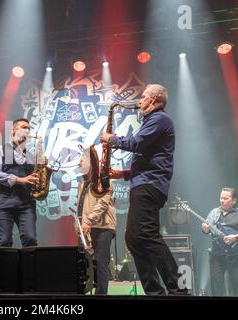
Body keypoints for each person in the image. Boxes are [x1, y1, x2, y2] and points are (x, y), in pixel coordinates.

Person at [100, 84, 188, 295]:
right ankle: (155, 291)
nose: (140, 100)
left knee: (146, 235)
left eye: (144, 96)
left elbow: (137, 143)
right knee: (133, 238)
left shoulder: (160, 119)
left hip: (150, 185)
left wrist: (110, 139)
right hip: (144, 182)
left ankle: (179, 290)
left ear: (155, 100)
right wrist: (123, 174)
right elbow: (149, 158)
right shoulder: (152, 121)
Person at [76, 149, 130, 295]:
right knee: (84, 262)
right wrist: (79, 225)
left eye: (82, 159)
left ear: (90, 162)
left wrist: (87, 221)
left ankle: (101, 294)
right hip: (87, 227)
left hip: (103, 227)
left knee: (101, 261)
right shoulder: (82, 183)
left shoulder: (103, 180)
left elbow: (102, 204)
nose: (78, 162)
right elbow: (80, 206)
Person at [0, 118, 41, 247]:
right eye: (23, 127)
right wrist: (19, 179)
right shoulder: (0, 149)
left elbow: (35, 180)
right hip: (3, 200)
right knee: (5, 241)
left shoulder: (30, 156)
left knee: (31, 240)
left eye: (28, 128)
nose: (27, 131)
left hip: (26, 203)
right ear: (13, 130)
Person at [202, 187, 238, 296]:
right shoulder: (213, 213)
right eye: (221, 198)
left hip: (236, 256)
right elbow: (206, 230)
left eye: (226, 198)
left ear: (234, 200)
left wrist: (236, 237)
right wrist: (205, 229)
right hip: (217, 256)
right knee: (216, 288)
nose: (222, 200)